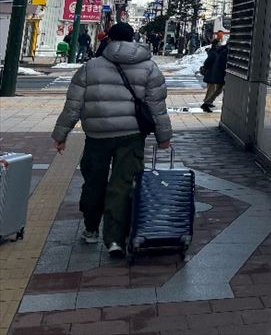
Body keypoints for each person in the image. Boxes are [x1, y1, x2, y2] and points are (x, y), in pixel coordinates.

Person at [51, 22, 171, 258]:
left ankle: (91, 228)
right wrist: (163, 137)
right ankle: (115, 239)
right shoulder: (149, 67)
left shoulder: (90, 67)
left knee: (94, 180)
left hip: (97, 135)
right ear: (133, 39)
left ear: (109, 39)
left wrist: (60, 135)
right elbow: (157, 107)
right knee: (123, 184)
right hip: (132, 134)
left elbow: (73, 105)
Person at [199, 29, 229, 112]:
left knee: (215, 88)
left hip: (214, 73)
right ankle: (206, 102)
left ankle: (208, 102)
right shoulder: (214, 52)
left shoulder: (217, 51)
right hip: (212, 73)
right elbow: (208, 62)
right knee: (212, 88)